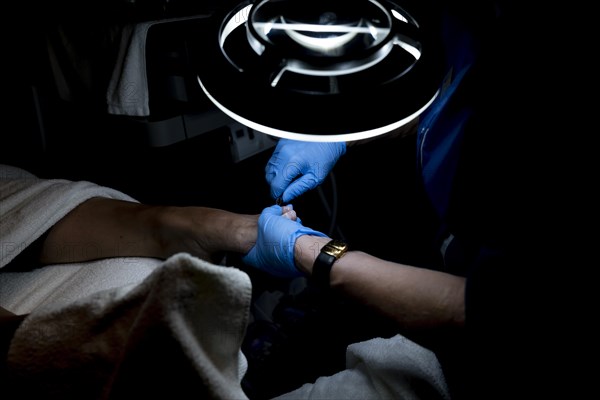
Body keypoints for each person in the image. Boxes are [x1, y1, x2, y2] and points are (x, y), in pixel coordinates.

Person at [240, 0, 589, 399]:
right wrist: (339, 132)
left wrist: (310, 252)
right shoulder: (464, 22)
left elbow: (501, 312)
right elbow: (442, 95)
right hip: (457, 242)